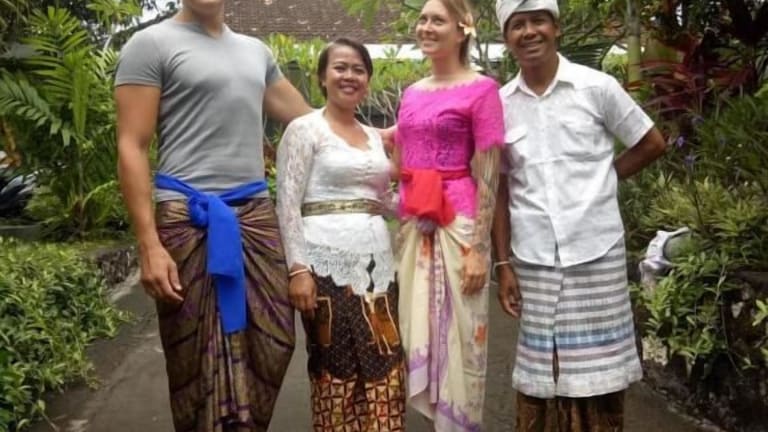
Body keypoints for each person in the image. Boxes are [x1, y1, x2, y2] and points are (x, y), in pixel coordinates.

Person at [114, 0, 311, 429]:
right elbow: (132, 144)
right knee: (194, 354)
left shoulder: (256, 52)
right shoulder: (150, 44)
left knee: (275, 337)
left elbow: (310, 123)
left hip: (255, 216)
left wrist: (377, 137)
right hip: (187, 217)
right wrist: (148, 245)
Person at [491, 0, 668, 430]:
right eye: (518, 25)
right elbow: (499, 188)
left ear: (556, 28)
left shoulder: (597, 87)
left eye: (538, 21)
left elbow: (651, 142)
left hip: (597, 252)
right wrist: (503, 264)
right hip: (534, 258)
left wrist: (605, 178)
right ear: (506, 38)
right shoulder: (498, 105)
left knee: (601, 378)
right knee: (541, 374)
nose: (529, 32)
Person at [275, 38, 406, 431]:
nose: (350, 76)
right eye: (340, 67)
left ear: (368, 80)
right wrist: (298, 270)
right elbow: (287, 204)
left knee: (386, 362)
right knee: (336, 367)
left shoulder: (374, 138)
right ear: (322, 78)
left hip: (379, 267)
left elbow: (384, 201)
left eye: (358, 69)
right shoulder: (304, 130)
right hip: (324, 267)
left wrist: (438, 205)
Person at [393, 0, 505, 429]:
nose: (425, 27)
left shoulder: (483, 90)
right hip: (414, 226)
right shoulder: (411, 93)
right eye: (422, 19)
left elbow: (489, 172)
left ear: (463, 29)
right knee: (417, 332)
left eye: (437, 20)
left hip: (459, 225)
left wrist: (480, 250)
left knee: (462, 339)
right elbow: (401, 159)